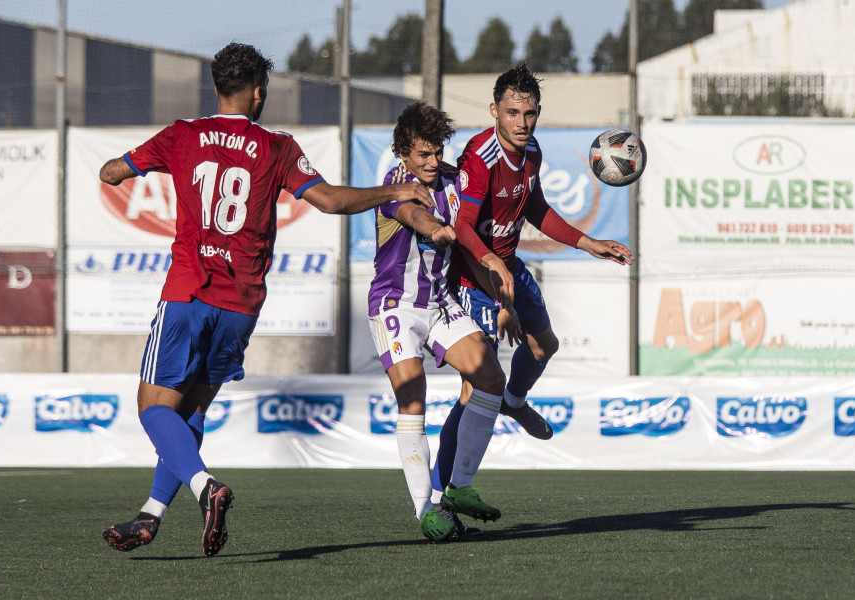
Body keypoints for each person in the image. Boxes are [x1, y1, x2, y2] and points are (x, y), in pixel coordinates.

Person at [99, 42, 432, 556]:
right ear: (259, 93)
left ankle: (206, 487)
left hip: (188, 291)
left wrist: (126, 167)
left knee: (151, 407)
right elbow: (330, 201)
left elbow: (111, 173)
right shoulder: (276, 146)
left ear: (215, 88)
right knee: (190, 411)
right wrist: (392, 192)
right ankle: (150, 516)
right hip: (241, 303)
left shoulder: (181, 135)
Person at [430, 62, 634, 502]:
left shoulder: (533, 151)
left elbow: (536, 209)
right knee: (473, 387)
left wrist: (586, 241)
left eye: (530, 113)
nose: (523, 123)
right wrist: (490, 265)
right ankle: (441, 493)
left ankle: (515, 403)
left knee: (544, 345)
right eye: (512, 113)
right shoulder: (479, 157)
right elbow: (464, 227)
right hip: (473, 274)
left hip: (508, 265)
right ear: (494, 111)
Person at [368, 101, 507, 543]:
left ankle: (459, 488)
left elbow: (468, 233)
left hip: (440, 303)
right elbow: (413, 214)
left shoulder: (454, 181)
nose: (431, 162)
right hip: (395, 306)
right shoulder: (395, 183)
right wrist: (434, 229)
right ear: (404, 152)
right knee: (413, 396)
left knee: (490, 376)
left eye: (436, 152)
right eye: (422, 155)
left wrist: (500, 287)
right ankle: (424, 509)